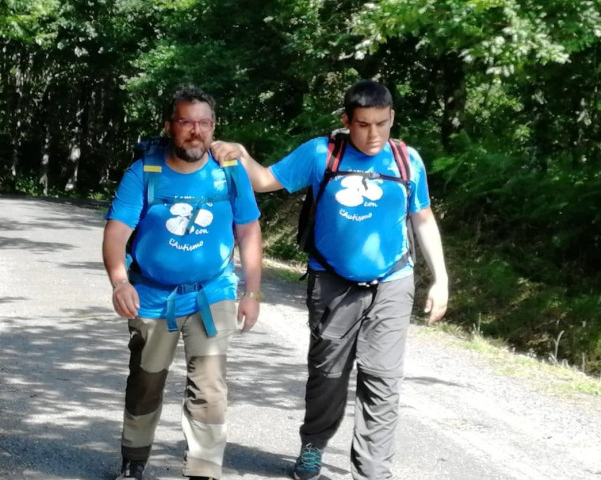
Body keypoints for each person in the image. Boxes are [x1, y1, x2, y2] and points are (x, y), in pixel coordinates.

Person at [211, 79, 448, 480]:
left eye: (382, 124)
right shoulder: (322, 153)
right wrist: (242, 155)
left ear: (392, 118)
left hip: (393, 281)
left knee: (383, 379)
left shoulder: (408, 160)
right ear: (345, 120)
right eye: (363, 125)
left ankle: (372, 471)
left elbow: (422, 218)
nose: (373, 135)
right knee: (328, 374)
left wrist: (440, 279)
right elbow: (266, 180)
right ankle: (313, 445)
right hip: (332, 282)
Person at [102, 85, 264, 480]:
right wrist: (120, 282)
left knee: (209, 388)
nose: (196, 130)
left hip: (212, 293)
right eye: (186, 121)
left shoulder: (229, 172)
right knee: (146, 381)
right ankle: (133, 461)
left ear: (214, 127)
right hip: (152, 296)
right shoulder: (144, 173)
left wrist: (253, 291)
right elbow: (116, 233)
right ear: (169, 126)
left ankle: (203, 471)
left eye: (204, 122)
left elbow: (248, 232)